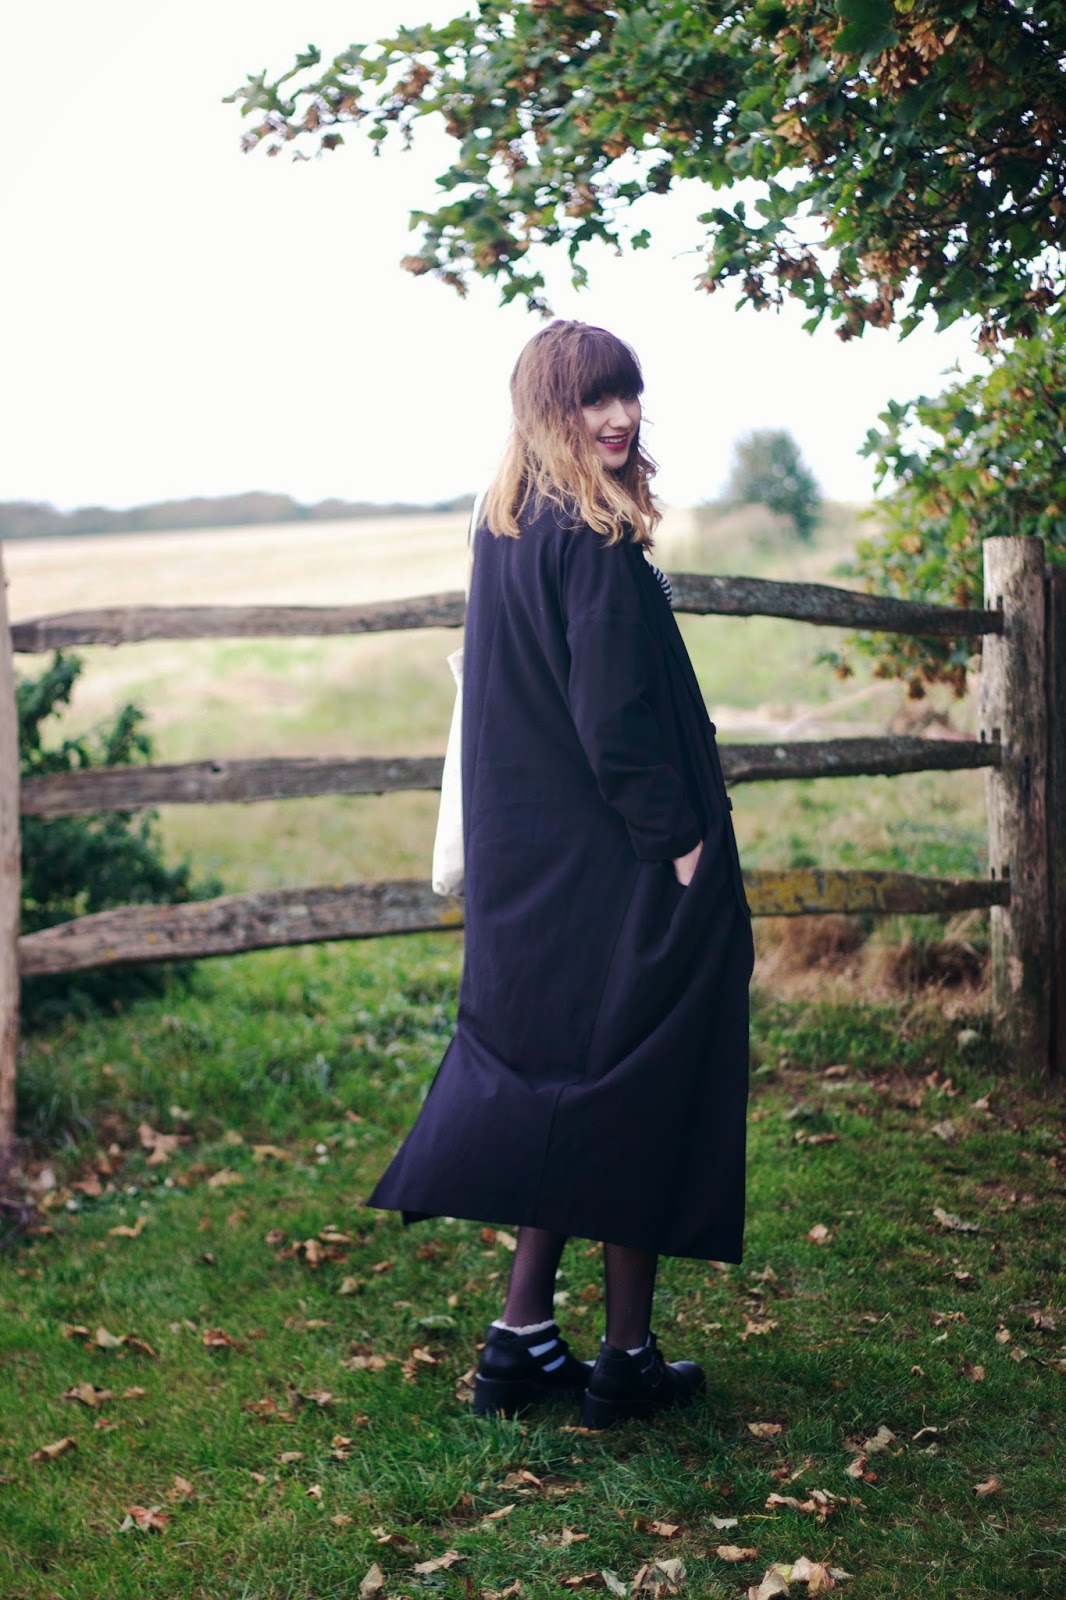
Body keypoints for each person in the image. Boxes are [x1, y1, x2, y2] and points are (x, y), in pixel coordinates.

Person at [368, 320, 754, 1427]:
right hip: (623, 866)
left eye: (627, 393)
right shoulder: (590, 536)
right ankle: (624, 1359)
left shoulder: (508, 523)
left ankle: (520, 1338)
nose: (620, 416)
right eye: (594, 400)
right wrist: (679, 844)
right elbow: (612, 719)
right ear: (550, 410)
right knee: (642, 1090)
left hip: (535, 870)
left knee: (562, 1090)